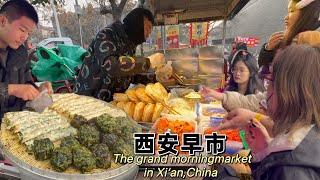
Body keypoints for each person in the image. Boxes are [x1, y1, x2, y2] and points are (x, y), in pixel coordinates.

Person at [215, 45, 320, 180]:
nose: (266, 92)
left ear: (287, 92)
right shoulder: (306, 139)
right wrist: (263, 153)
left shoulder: (292, 169)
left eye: (270, 82)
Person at [74, 8, 167, 102]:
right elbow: (111, 65)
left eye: (150, 32)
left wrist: (155, 77)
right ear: (136, 22)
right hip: (89, 100)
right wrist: (147, 62)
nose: (147, 35)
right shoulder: (107, 35)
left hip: (110, 103)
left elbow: (130, 74)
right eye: (147, 29)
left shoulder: (129, 45)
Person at [0, 0, 53, 119]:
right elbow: (16, 89)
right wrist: (11, 89)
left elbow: (26, 83)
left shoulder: (20, 52)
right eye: (22, 30)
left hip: (16, 123)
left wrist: (39, 89)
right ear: (2, 21)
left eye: (28, 33)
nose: (24, 37)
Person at [258, 0, 320, 76]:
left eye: (291, 11)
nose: (286, 17)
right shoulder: (283, 39)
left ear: (307, 13)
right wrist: (268, 49)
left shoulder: (313, 39)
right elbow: (265, 69)